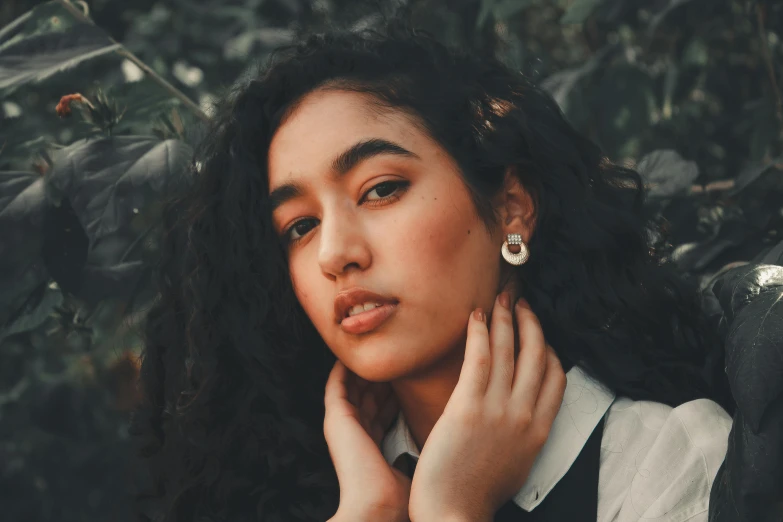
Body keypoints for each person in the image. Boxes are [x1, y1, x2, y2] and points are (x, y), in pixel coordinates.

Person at [130, 15, 734, 522]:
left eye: (381, 189)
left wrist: (451, 508)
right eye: (299, 225)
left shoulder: (668, 457)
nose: (334, 253)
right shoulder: (311, 493)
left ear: (511, 207)